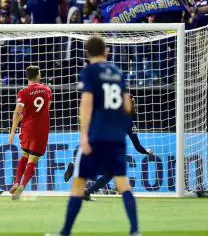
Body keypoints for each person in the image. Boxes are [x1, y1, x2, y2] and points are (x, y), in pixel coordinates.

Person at [49, 37, 138, 236]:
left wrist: (84, 135)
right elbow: (127, 107)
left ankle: (65, 232)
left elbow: (87, 104)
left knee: (79, 184)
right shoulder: (117, 72)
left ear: (87, 52)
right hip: (116, 137)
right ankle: (135, 230)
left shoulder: (89, 72)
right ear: (106, 51)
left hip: (96, 136)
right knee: (123, 183)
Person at [62, 97, 153, 201]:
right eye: (133, 103)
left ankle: (81, 181)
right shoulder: (128, 122)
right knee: (109, 173)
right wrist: (146, 151)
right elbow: (137, 146)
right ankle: (85, 189)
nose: (134, 105)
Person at [8, 65, 52, 200]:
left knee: (25, 155)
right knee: (33, 159)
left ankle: (16, 182)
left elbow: (17, 112)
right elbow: (47, 107)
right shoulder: (47, 89)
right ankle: (22, 186)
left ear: (27, 76)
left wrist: (12, 132)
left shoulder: (23, 92)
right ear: (38, 75)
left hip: (27, 128)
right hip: (41, 129)